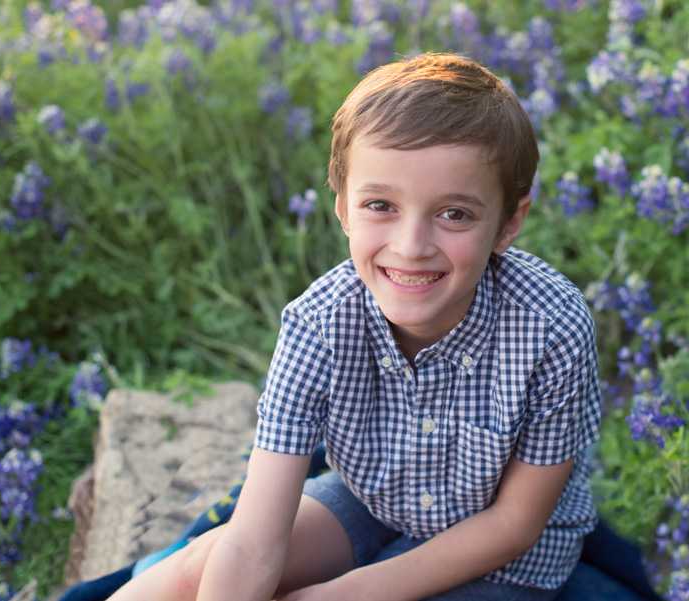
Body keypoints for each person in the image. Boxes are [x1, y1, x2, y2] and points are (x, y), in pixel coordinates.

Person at [107, 52, 647, 601]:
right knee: (196, 567)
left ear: (509, 223)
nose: (411, 247)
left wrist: (343, 593)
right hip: (376, 501)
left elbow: (513, 525)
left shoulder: (550, 326)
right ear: (343, 210)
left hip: (508, 554)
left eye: (454, 213)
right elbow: (251, 544)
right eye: (381, 205)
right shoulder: (319, 324)